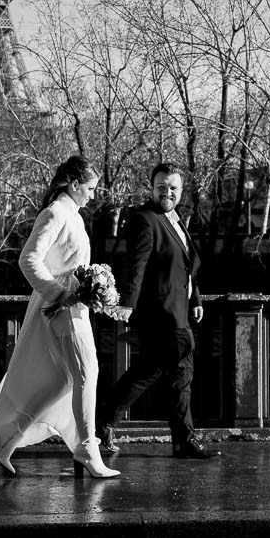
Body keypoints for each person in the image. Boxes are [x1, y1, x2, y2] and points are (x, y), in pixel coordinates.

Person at [0, 155, 120, 479]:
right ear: (74, 185)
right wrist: (62, 293)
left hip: (72, 307)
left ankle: (1, 441)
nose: (92, 194)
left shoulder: (71, 214)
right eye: (89, 188)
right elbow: (28, 260)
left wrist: (91, 286)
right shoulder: (56, 213)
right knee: (88, 373)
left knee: (60, 380)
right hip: (63, 308)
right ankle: (87, 449)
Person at [96, 162, 218, 460]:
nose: (168, 192)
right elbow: (135, 265)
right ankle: (101, 422)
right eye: (162, 186)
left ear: (181, 191)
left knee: (178, 377)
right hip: (161, 314)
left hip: (180, 311)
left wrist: (197, 299)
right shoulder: (144, 219)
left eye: (174, 187)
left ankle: (181, 441)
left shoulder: (174, 219)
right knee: (155, 371)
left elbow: (188, 266)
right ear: (151, 188)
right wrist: (127, 303)